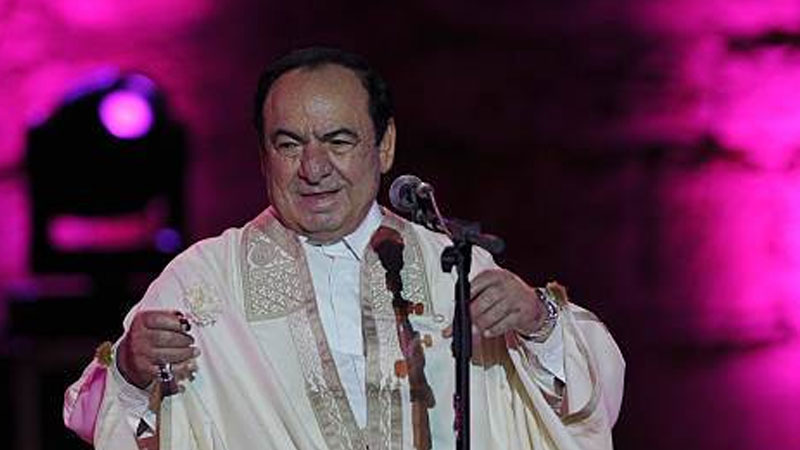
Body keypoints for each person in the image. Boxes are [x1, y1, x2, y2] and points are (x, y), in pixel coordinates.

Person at [64, 47, 624, 449]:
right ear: (263, 156)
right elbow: (95, 419)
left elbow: (585, 401)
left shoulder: (452, 267)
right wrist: (132, 370)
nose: (314, 168)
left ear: (385, 146)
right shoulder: (205, 282)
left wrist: (538, 322)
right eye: (289, 144)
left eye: (338, 141)